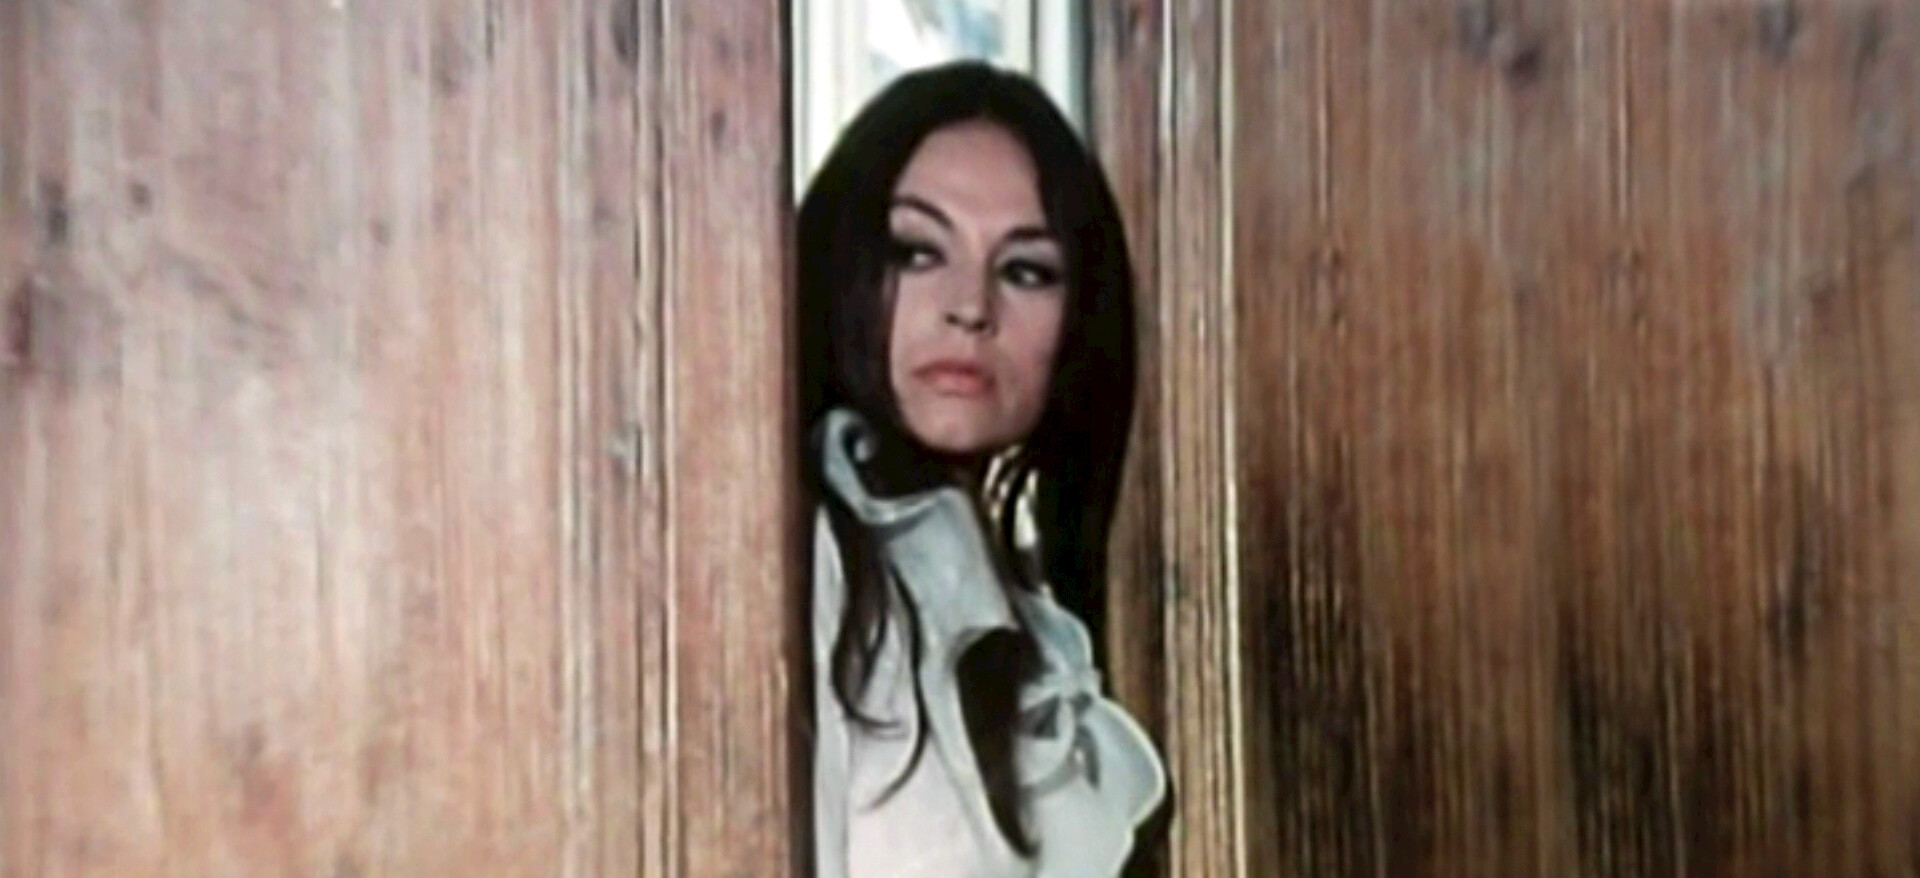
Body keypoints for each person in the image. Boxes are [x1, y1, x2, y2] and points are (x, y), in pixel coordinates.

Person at [798, 60, 1166, 878]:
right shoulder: (809, 566)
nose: (971, 307)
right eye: (916, 252)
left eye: (1026, 269)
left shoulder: (1039, 631)